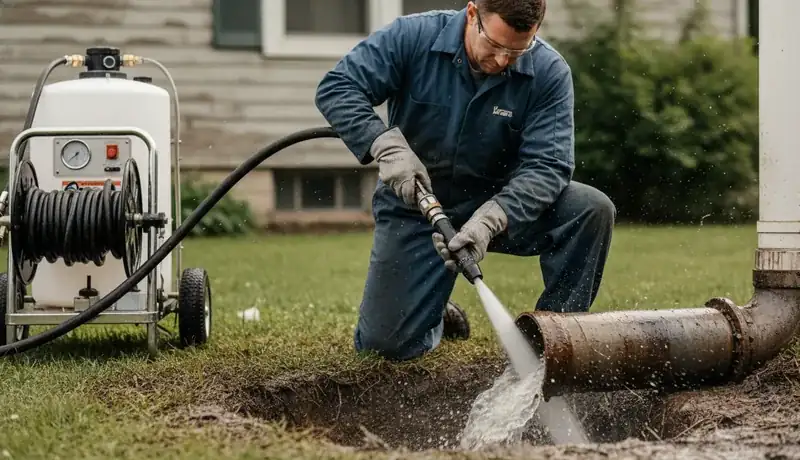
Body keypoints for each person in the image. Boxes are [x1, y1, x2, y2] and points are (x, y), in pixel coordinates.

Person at [315, 0, 615, 362]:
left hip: (501, 204)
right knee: (384, 347)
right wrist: (386, 147)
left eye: (517, 50)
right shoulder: (412, 37)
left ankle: (556, 343)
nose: (504, 61)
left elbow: (548, 165)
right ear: (473, 14)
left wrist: (491, 220)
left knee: (590, 209)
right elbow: (338, 87)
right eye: (495, 46)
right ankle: (434, 311)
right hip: (417, 206)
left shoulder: (549, 72)